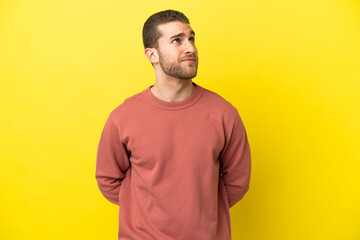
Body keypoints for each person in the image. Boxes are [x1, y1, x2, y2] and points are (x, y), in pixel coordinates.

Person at [95, 9, 251, 240]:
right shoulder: (123, 117)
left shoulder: (224, 114)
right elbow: (107, 178)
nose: (190, 48)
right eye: (177, 41)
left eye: (191, 39)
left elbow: (237, 181)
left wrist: (201, 211)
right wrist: (141, 210)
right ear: (152, 55)